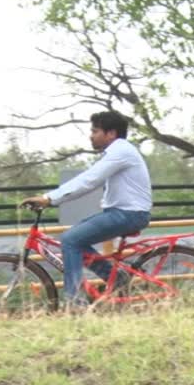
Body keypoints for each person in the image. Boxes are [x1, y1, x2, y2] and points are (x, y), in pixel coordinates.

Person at [20, 110, 152, 308]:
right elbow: (89, 181)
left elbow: (89, 180)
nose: (91, 135)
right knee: (75, 240)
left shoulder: (120, 151)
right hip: (122, 213)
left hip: (128, 214)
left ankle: (75, 303)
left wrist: (49, 198)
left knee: (70, 240)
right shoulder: (118, 151)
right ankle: (116, 278)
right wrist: (52, 198)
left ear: (111, 133)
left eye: (95, 131)